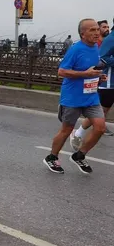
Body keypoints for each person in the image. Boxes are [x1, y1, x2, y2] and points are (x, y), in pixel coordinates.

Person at [43, 19, 106, 174]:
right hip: (72, 97)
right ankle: (52, 157)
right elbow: (62, 71)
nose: (97, 32)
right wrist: (86, 74)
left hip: (91, 97)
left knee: (100, 128)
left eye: (97, 29)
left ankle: (79, 155)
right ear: (82, 34)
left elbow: (90, 69)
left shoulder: (96, 48)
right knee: (67, 129)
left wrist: (97, 77)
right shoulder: (75, 49)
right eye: (92, 30)